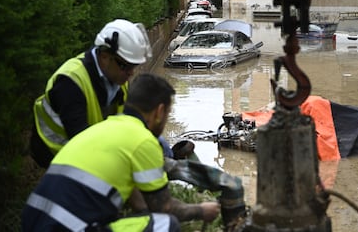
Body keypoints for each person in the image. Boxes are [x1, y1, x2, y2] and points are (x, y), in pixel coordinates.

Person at [22, 73, 220, 231]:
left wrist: (144, 212)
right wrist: (201, 210)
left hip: (32, 220)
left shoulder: (101, 128)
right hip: (68, 227)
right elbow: (164, 207)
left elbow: (139, 202)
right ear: (159, 111)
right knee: (166, 224)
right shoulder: (143, 140)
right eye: (168, 114)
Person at [30, 19, 154, 168]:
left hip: (87, 151)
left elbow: (131, 123)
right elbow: (83, 144)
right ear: (104, 56)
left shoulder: (117, 78)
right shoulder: (70, 82)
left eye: (134, 66)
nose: (131, 73)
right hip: (55, 159)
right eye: (125, 66)